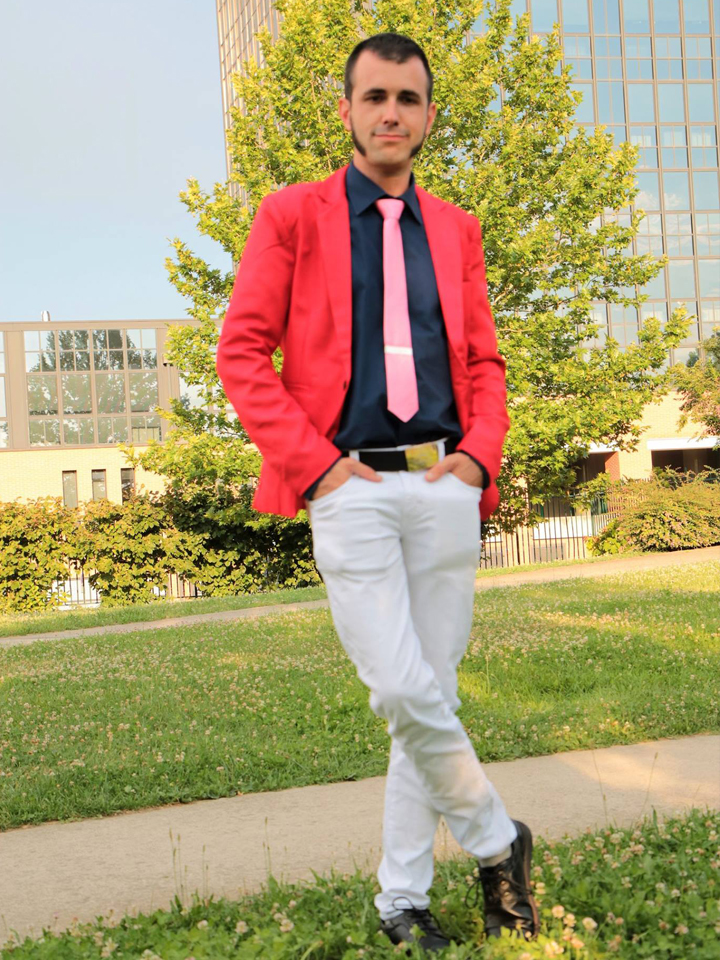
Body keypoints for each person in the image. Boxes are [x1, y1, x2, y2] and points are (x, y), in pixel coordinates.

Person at [216, 31, 538, 954]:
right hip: (346, 482)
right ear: (348, 110)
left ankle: (403, 900)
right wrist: (313, 466)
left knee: (427, 697)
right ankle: (497, 842)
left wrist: (479, 457)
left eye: (408, 98)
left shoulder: (458, 229)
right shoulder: (292, 214)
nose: (391, 112)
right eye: (375, 97)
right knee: (400, 687)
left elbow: (484, 360)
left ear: (429, 115)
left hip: (442, 482)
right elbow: (242, 352)